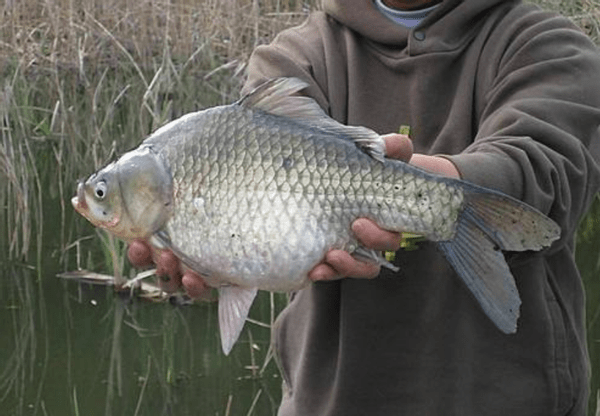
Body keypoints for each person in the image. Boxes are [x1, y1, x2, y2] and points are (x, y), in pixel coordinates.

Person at [128, 0, 600, 414]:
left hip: (504, 397)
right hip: (333, 399)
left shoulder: (548, 44)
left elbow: (552, 176)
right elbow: (258, 222)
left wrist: (429, 189)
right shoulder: (293, 58)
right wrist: (217, 260)